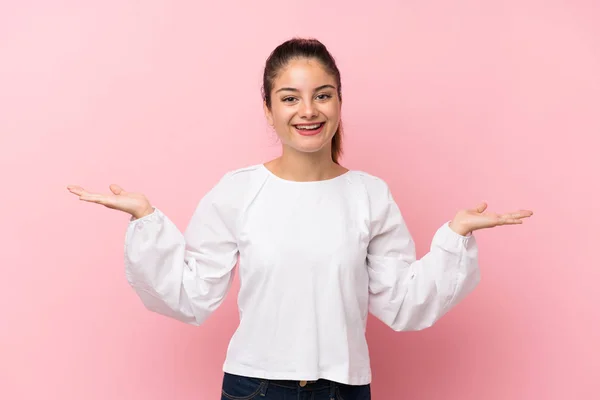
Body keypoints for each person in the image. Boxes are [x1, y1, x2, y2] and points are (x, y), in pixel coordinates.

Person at [67, 38, 533, 400]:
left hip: (346, 387)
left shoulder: (369, 194)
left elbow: (402, 302)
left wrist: (455, 237)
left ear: (339, 103)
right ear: (268, 110)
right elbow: (193, 294)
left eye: (322, 95)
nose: (308, 111)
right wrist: (147, 220)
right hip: (256, 386)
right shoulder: (239, 190)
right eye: (290, 98)